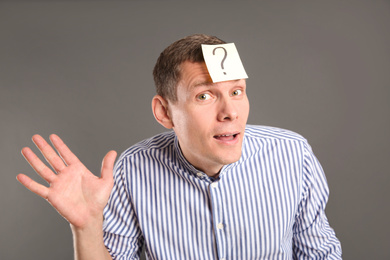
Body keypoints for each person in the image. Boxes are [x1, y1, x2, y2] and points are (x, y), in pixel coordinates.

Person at [17, 34, 342, 259]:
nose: (230, 112)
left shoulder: (292, 155)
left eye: (237, 91)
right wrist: (87, 226)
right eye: (205, 95)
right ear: (164, 112)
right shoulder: (133, 171)